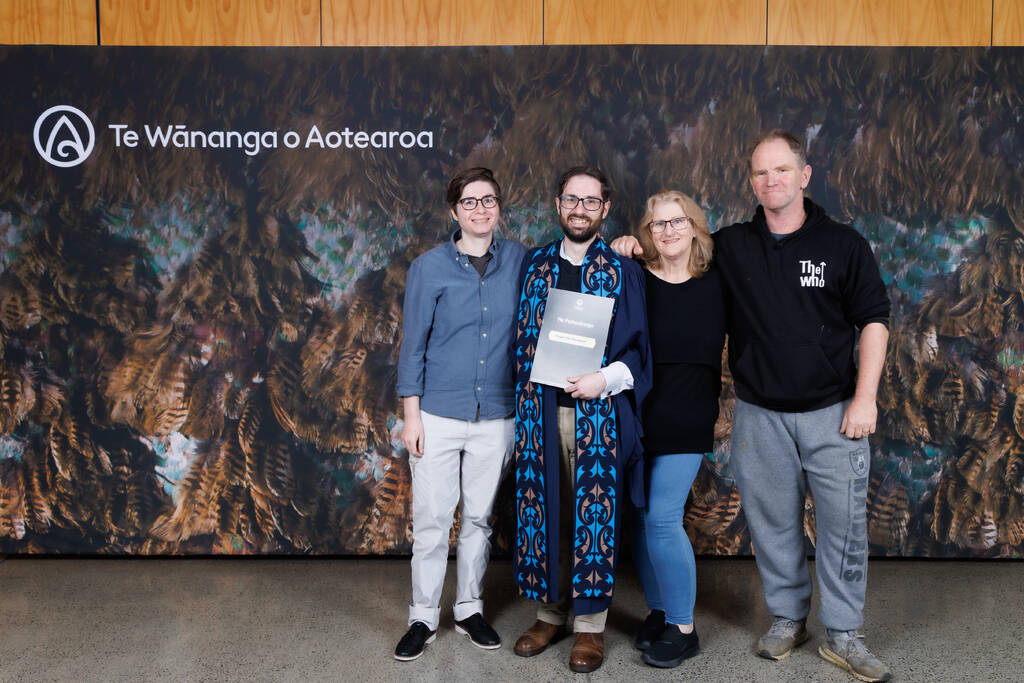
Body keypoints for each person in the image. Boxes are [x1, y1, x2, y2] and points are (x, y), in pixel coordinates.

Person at [612, 130, 891, 682]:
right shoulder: (732, 246)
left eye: (782, 170)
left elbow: (874, 321)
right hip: (758, 411)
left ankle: (844, 634)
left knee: (843, 528)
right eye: (761, 172)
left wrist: (866, 399)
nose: (771, 180)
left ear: (804, 175)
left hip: (833, 411)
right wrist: (632, 246)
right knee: (773, 525)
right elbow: (678, 254)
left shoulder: (843, 244)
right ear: (752, 182)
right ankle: (788, 619)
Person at [511, 166, 652, 673]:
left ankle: (590, 626)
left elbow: (639, 351)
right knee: (545, 512)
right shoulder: (534, 264)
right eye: (572, 199)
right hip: (540, 416)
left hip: (597, 417)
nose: (580, 209)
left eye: (591, 201)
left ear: (605, 209)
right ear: (557, 204)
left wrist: (603, 379)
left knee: (593, 517)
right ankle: (549, 615)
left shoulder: (622, 270)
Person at [394, 167, 526, 661]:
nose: (480, 209)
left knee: (479, 518)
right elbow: (413, 346)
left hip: (497, 415)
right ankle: (423, 618)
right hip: (438, 415)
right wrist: (411, 417)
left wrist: (621, 245)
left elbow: (572, 258)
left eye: (488, 200)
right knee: (431, 521)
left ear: (499, 207)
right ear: (454, 211)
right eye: (469, 202)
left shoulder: (521, 260)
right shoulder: (428, 267)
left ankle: (469, 608)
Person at [629, 191, 725, 669]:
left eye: (677, 221)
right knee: (641, 516)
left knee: (663, 518)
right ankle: (661, 610)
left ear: (694, 227)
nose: (667, 231)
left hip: (689, 413)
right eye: (658, 224)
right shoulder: (635, 278)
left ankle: (684, 628)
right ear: (648, 232)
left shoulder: (718, 280)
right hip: (638, 410)